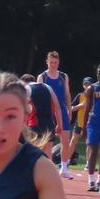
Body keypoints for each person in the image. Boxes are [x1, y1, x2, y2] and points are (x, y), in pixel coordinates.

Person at [37, 51, 74, 179]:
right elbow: (38, 96)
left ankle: (64, 168)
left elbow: (67, 95)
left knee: (65, 140)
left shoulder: (63, 76)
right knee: (48, 142)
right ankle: (48, 168)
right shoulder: (42, 77)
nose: (53, 65)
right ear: (47, 62)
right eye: (51, 62)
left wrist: (69, 110)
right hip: (48, 112)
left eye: (56, 62)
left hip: (62, 110)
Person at [20, 74, 60, 159]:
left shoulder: (26, 89)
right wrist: (59, 124)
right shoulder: (47, 87)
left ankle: (33, 171)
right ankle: (48, 171)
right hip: (49, 123)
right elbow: (57, 106)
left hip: (34, 123)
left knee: (33, 151)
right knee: (48, 151)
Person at [68, 75, 92, 167]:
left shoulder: (95, 96)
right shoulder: (80, 96)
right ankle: (67, 161)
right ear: (83, 85)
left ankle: (88, 163)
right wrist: (81, 105)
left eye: (89, 84)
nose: (87, 86)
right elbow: (71, 108)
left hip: (90, 123)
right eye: (85, 84)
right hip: (79, 122)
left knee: (89, 143)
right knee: (73, 141)